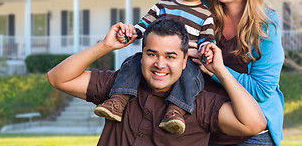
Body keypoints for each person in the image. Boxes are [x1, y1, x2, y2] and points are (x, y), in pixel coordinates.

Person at [47, 17, 267, 146]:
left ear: (184, 61)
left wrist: (220, 70)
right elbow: (58, 78)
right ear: (141, 56)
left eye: (170, 56)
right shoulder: (118, 88)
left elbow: (254, 123)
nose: (160, 64)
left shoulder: (199, 104)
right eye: (152, 54)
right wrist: (105, 46)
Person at [94, 0, 216, 134]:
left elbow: (207, 40)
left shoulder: (205, 15)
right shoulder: (163, 5)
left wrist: (207, 50)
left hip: (185, 59)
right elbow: (144, 26)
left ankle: (176, 112)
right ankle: (118, 100)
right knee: (133, 62)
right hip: (157, 55)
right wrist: (130, 32)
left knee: (191, 75)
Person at [198, 0, 285, 146]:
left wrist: (217, 71)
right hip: (204, 128)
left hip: (251, 134)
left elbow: (262, 90)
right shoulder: (199, 10)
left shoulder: (265, 24)